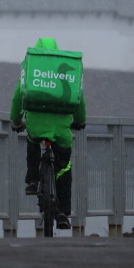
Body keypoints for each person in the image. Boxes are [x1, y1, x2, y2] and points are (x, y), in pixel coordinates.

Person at [9, 37, 86, 230]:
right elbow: (78, 98)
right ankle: (62, 212)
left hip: (36, 124)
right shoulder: (66, 71)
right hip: (61, 130)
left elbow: (18, 96)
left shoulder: (33, 70)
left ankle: (32, 180)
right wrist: (79, 120)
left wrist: (16, 121)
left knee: (32, 140)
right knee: (64, 168)